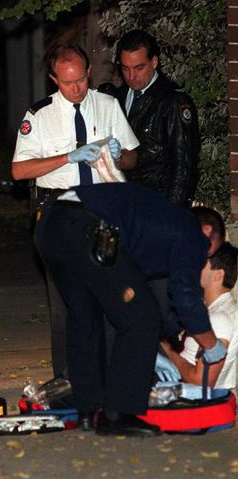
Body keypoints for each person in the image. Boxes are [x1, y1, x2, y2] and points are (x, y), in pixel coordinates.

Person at [34, 182, 226, 437]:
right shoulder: (191, 233)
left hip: (51, 225)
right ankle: (118, 413)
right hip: (89, 226)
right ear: (207, 230)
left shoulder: (156, 222)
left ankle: (88, 409)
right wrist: (211, 344)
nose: (203, 259)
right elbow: (185, 295)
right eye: (209, 251)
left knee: (86, 316)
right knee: (143, 317)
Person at [11, 44, 140, 378]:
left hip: (102, 207)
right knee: (64, 302)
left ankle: (110, 370)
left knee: (110, 292)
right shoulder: (39, 116)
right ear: (55, 79)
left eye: (81, 80)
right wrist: (67, 158)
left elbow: (132, 159)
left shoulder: (107, 105)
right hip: (58, 209)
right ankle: (67, 377)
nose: (77, 88)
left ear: (88, 73)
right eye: (68, 83)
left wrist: (118, 152)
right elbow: (19, 171)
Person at [115, 29, 201, 207]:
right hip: (126, 199)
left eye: (139, 68)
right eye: (125, 68)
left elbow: (184, 164)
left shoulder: (173, 101)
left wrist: (171, 212)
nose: (132, 76)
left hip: (158, 199)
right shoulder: (118, 97)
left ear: (153, 62)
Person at [160, 242, 238, 389]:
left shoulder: (219, 318)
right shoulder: (215, 310)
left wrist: (167, 352)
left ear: (218, 275)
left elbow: (201, 382)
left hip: (194, 406)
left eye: (200, 263)